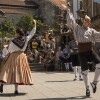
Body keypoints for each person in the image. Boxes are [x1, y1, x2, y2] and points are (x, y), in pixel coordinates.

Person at [66, 6, 100, 97]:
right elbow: (71, 21)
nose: (89, 22)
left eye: (89, 21)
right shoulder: (77, 28)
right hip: (81, 52)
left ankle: (95, 83)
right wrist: (69, 11)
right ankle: (87, 88)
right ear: (83, 21)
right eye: (87, 21)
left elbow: (98, 35)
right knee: (85, 71)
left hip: (90, 50)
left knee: (99, 64)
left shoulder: (92, 31)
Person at [0, 19, 36, 94]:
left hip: (13, 56)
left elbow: (10, 49)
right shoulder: (26, 38)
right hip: (22, 57)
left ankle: (2, 84)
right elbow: (32, 33)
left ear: (18, 33)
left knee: (6, 70)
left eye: (15, 33)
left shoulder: (13, 41)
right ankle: (16, 90)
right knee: (18, 73)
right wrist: (34, 25)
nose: (15, 34)